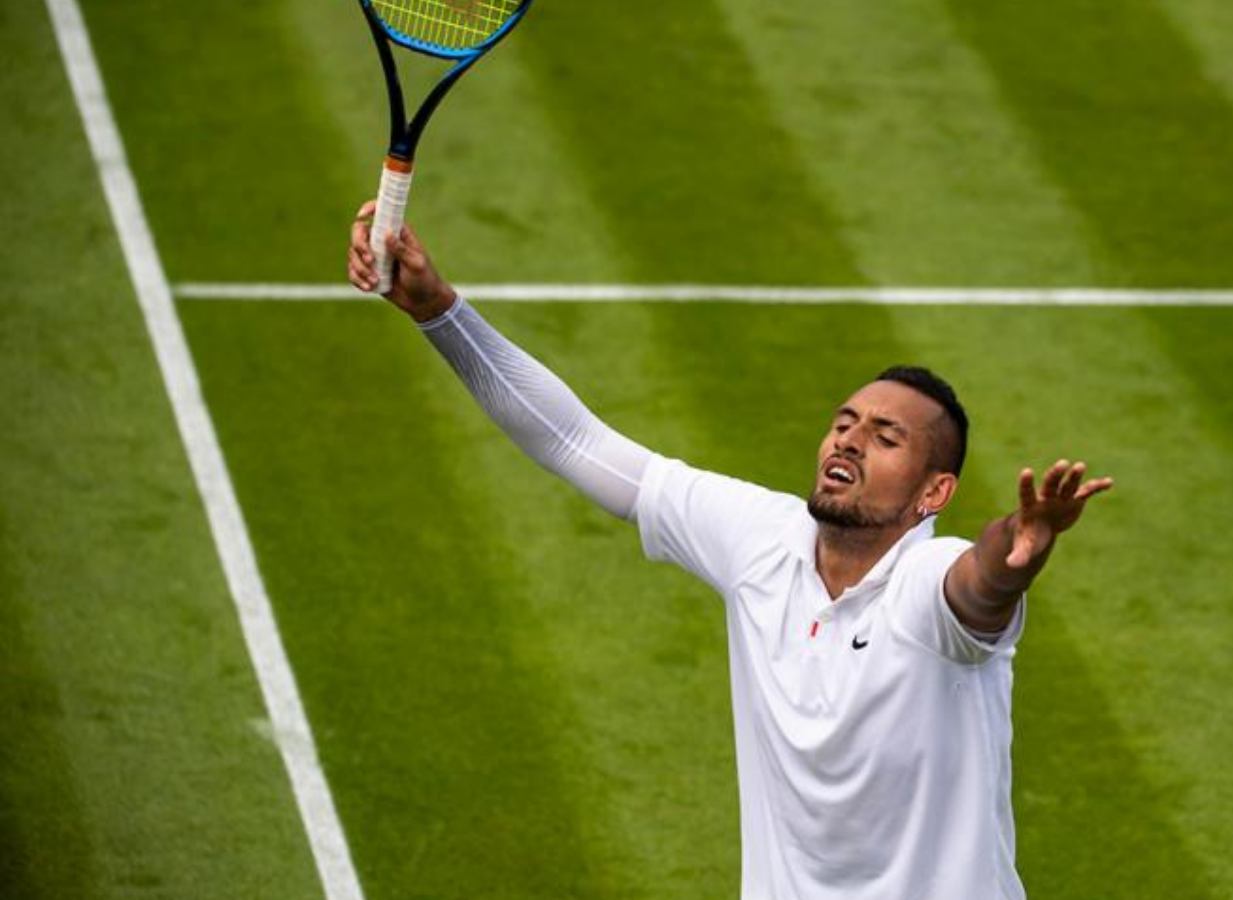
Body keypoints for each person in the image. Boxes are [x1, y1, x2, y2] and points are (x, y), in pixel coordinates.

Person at [346, 205, 1114, 899]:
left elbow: (977, 587)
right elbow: (578, 442)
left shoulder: (922, 584)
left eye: (886, 437)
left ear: (933, 494)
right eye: (845, 422)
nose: (849, 438)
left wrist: (1018, 555)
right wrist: (439, 313)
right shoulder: (761, 539)